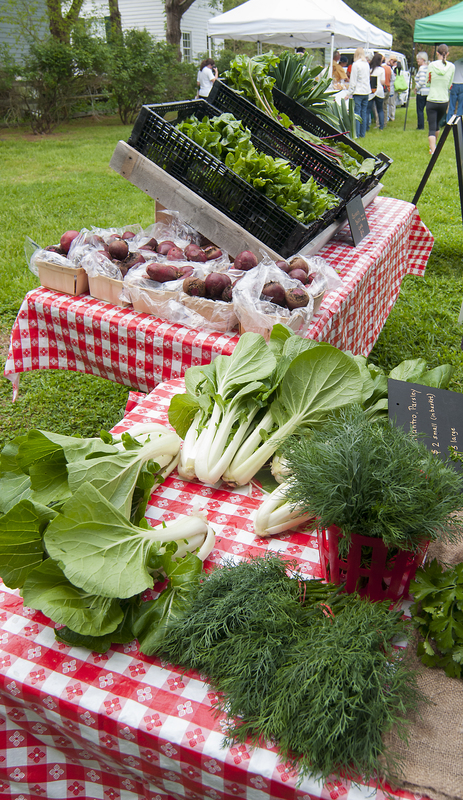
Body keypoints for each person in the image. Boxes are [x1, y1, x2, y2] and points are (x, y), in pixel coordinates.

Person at [426, 44, 455, 154]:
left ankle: (433, 150)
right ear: (448, 54)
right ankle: (434, 147)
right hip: (443, 100)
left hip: (432, 99)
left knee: (431, 126)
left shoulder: (431, 65)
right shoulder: (452, 67)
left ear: (437, 53)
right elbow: (450, 84)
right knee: (437, 124)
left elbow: (428, 82)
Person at [347, 47, 371, 138]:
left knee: (357, 113)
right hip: (366, 91)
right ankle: (362, 133)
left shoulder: (355, 64)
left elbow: (353, 81)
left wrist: (349, 93)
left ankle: (356, 134)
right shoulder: (366, 64)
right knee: (363, 113)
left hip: (358, 92)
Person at [367, 51, 385, 131]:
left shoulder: (370, 69)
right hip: (379, 90)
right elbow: (382, 82)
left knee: (368, 110)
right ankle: (381, 126)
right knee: (380, 109)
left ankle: (367, 126)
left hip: (371, 90)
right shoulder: (381, 70)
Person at [415, 51, 430, 130]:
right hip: (429, 92)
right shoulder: (429, 67)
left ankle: (420, 126)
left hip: (421, 92)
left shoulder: (422, 68)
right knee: (429, 110)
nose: (417, 60)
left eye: (418, 59)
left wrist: (416, 88)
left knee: (420, 110)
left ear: (422, 59)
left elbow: (421, 81)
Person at [447, 55, 463, 120]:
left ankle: (449, 120)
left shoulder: (456, 62)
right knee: (460, 106)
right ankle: (458, 121)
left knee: (452, 105)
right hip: (462, 84)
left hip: (454, 84)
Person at [382, 56, 392, 125]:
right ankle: (385, 121)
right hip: (388, 88)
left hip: (383, 89)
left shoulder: (381, 68)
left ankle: (380, 122)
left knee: (380, 107)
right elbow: (392, 78)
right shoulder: (389, 68)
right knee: (385, 107)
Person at [387, 57, 398, 122]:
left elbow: (393, 79)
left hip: (393, 87)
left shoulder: (396, 68)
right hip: (390, 87)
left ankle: (392, 116)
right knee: (389, 103)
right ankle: (389, 116)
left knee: (392, 103)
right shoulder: (389, 68)